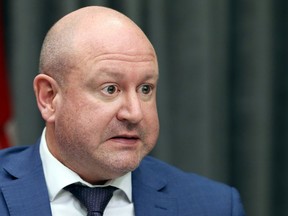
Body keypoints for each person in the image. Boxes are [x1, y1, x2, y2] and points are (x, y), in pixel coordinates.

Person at [0, 6, 245, 216]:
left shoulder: (214, 206)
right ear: (49, 97)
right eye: (111, 89)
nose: (135, 113)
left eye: (146, 88)